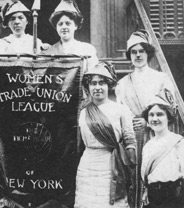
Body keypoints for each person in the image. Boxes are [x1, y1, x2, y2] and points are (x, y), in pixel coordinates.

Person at [115, 29, 175, 207]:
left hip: (155, 136)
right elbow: (121, 112)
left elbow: (168, 110)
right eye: (134, 52)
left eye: (141, 51)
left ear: (148, 53)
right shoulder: (122, 84)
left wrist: (148, 121)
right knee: (132, 179)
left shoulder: (161, 78)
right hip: (133, 138)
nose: (138, 55)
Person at [74, 62, 136, 208]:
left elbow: (129, 139)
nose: (97, 87)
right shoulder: (83, 112)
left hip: (112, 166)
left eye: (102, 83)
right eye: (93, 83)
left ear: (109, 85)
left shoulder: (121, 110)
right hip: (87, 166)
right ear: (88, 87)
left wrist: (131, 168)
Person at [141, 90, 184, 208]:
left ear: (168, 117)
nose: (155, 119)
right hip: (153, 197)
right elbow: (147, 175)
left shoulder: (178, 142)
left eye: (160, 114)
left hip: (174, 197)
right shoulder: (147, 146)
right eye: (151, 115)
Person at [44, 0, 99, 69]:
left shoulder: (87, 49)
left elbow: (94, 74)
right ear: (56, 27)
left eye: (68, 23)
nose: (64, 27)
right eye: (60, 24)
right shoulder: (50, 51)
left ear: (75, 26)